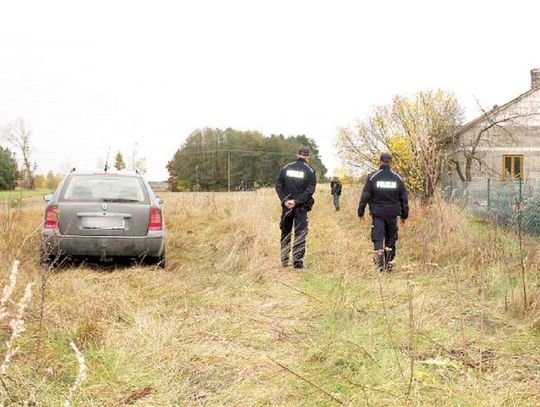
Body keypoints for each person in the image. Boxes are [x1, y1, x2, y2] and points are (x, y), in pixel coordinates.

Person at [358, 152, 409, 272]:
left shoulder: (372, 177)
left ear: (380, 161)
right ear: (390, 162)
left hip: (378, 214)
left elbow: (365, 196)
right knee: (391, 239)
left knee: (378, 238)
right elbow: (404, 199)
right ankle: (388, 264)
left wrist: (361, 212)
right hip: (392, 214)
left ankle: (380, 266)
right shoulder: (397, 178)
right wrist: (404, 215)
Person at [275, 147, 317, 269]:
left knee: (285, 231)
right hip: (301, 207)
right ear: (308, 157)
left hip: (286, 206)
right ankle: (297, 261)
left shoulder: (286, 168)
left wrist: (285, 200)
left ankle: (284, 259)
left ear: (297, 154)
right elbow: (310, 191)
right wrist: (297, 201)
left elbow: (278, 186)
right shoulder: (310, 171)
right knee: (300, 233)